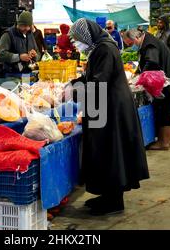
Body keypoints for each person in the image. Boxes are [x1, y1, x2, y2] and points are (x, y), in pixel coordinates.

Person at [68, 18, 149, 216]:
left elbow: (98, 83)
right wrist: (74, 83)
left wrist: (75, 91)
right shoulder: (100, 47)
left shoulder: (104, 49)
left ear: (87, 36)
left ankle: (114, 200)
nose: (76, 44)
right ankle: (107, 195)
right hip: (107, 105)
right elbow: (93, 77)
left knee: (111, 151)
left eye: (78, 39)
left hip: (111, 107)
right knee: (107, 151)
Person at [124, 28, 170, 150]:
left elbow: (152, 62)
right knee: (165, 111)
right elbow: (146, 62)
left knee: (164, 111)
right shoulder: (148, 41)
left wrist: (140, 77)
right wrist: (138, 73)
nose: (130, 46)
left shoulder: (149, 45)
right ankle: (165, 141)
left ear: (136, 38)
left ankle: (163, 143)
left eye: (130, 44)